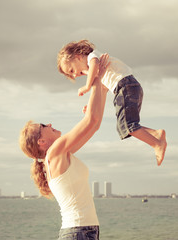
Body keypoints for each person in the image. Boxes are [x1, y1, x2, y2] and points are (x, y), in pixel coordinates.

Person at [19, 54, 110, 240]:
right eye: (44, 126)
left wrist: (102, 90)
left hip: (82, 231)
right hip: (78, 232)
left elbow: (94, 123)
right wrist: (95, 78)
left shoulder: (60, 155)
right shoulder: (55, 152)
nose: (50, 124)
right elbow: (91, 119)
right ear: (41, 142)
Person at [57, 39, 167, 166]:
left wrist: (87, 86)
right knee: (126, 127)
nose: (75, 75)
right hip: (128, 87)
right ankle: (156, 134)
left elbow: (94, 67)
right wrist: (90, 106)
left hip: (125, 86)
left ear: (77, 57)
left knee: (127, 126)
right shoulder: (97, 69)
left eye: (71, 70)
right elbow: (100, 86)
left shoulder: (93, 57)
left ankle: (157, 143)